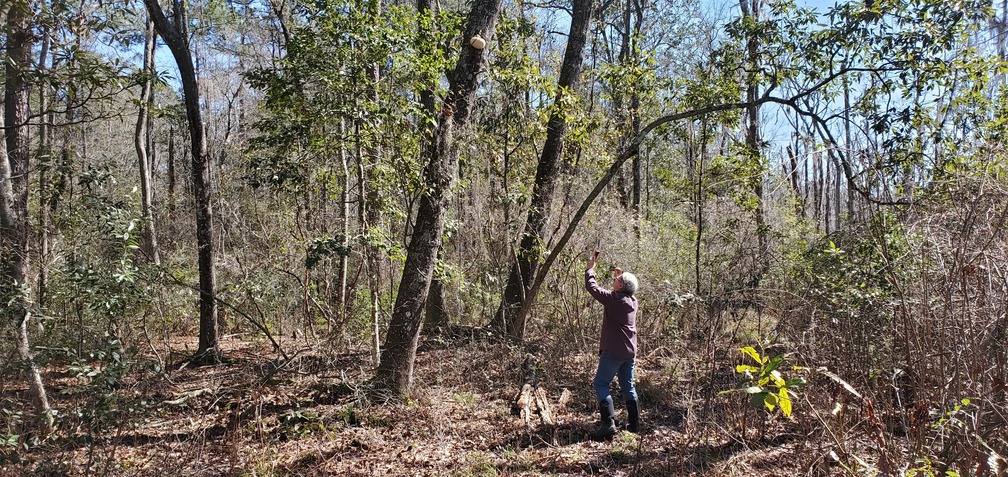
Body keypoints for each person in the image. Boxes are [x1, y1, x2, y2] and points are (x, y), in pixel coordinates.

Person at [585, 250, 639, 439]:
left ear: (622, 286)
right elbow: (620, 292)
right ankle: (634, 424)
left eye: (617, 281)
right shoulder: (632, 301)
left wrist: (590, 270)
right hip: (629, 351)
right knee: (628, 386)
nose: (614, 282)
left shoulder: (615, 300)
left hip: (614, 351)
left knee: (600, 383)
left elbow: (593, 289)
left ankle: (608, 424)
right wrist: (620, 278)